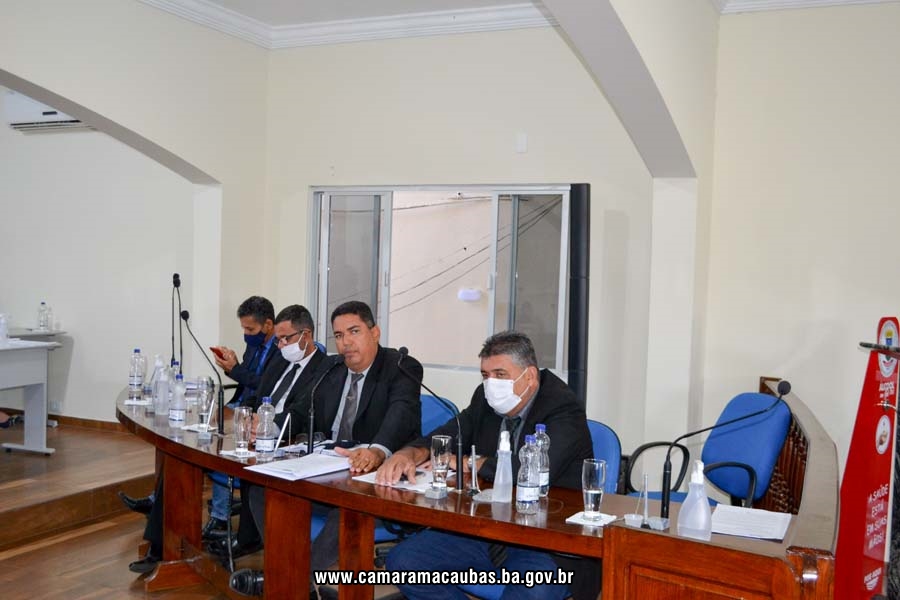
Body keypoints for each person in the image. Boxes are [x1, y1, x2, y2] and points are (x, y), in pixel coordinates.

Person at [376, 331, 598, 600]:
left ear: (529, 376)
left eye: (500, 374)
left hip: (545, 540)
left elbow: (523, 472)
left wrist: (468, 462)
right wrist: (410, 453)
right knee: (406, 563)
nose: (491, 383)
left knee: (530, 592)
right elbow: (451, 432)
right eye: (485, 375)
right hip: (486, 529)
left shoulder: (563, 408)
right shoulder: (485, 397)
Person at [228, 300, 423, 599]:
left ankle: (290, 579)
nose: (346, 343)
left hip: (374, 480)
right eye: (339, 335)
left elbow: (401, 413)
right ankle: (290, 573)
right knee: (260, 489)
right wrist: (270, 427)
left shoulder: (400, 367)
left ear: (375, 333)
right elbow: (303, 409)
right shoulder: (332, 368)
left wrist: (377, 450)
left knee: (346, 510)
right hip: (328, 466)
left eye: (354, 332)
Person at [206, 303, 326, 554]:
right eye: (278, 340)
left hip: (288, 438)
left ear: (306, 335)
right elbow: (258, 395)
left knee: (252, 466)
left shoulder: (324, 368)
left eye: (285, 339)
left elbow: (303, 411)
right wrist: (245, 415)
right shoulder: (281, 360)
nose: (280, 345)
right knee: (207, 447)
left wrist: (268, 426)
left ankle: (249, 540)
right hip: (256, 432)